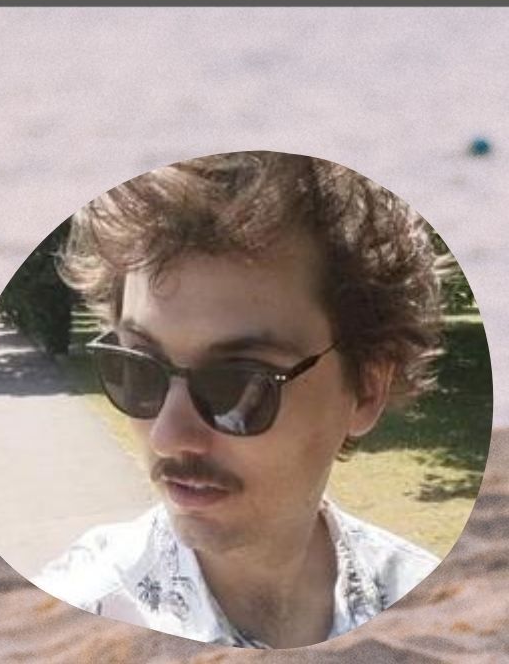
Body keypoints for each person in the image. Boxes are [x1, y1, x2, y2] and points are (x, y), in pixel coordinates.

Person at [34, 152, 445, 648]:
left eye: (239, 386)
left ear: (366, 389)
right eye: (138, 371)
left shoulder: (418, 598)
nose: (168, 437)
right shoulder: (84, 606)